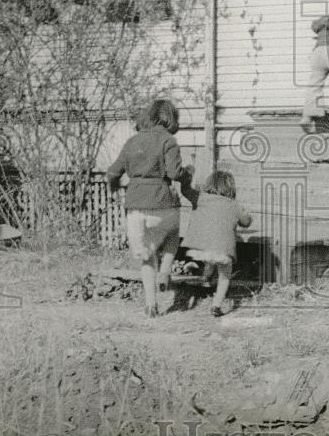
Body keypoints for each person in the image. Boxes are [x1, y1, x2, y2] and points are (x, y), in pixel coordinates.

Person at [106, 98, 195, 318]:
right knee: (172, 235)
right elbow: (174, 174)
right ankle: (165, 271)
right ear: (170, 119)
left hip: (136, 207)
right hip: (163, 203)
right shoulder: (169, 141)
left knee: (146, 255)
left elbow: (112, 173)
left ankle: (150, 305)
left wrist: (116, 188)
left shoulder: (132, 142)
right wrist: (188, 173)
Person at [183, 169, 252, 317]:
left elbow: (185, 191)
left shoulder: (200, 197)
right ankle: (216, 306)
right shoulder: (234, 204)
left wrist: (186, 176)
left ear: (209, 183)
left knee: (211, 255)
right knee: (224, 275)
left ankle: (205, 278)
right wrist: (246, 213)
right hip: (222, 251)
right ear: (231, 188)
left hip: (200, 248)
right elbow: (246, 222)